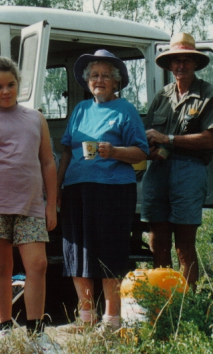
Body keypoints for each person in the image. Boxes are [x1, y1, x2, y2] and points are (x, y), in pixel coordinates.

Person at [57, 49, 149, 333]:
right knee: (76, 251)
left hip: (113, 191)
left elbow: (141, 153)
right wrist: (57, 187)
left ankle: (111, 320)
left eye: (106, 76)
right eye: (94, 75)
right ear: (87, 81)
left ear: (116, 82)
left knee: (110, 252)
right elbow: (67, 153)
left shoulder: (126, 110)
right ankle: (85, 319)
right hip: (75, 189)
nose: (99, 80)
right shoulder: (80, 110)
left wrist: (115, 151)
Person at [0, 56, 57, 337]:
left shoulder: (35, 118)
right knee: (2, 268)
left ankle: (36, 332)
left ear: (19, 85)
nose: (5, 91)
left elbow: (47, 163)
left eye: (11, 85)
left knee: (38, 265)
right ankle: (4, 328)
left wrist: (51, 205)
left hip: (31, 205)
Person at [141, 32, 213, 288]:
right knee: (158, 243)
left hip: (189, 172)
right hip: (158, 172)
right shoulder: (162, 96)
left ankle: (187, 306)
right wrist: (151, 149)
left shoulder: (210, 94)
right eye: (175, 61)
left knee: (185, 246)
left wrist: (167, 139)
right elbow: (147, 136)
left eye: (186, 60)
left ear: (196, 63)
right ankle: (162, 301)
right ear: (169, 65)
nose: (180, 66)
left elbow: (209, 140)